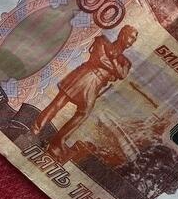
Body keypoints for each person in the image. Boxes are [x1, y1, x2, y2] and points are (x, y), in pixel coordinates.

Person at [33, 25, 138, 154]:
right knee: (59, 102)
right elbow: (98, 59)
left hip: (96, 84)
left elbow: (122, 74)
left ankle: (58, 142)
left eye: (134, 40)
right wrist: (113, 69)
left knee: (84, 112)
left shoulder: (125, 62)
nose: (132, 41)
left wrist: (113, 59)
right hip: (84, 74)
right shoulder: (102, 40)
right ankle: (36, 129)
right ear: (122, 34)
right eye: (131, 37)